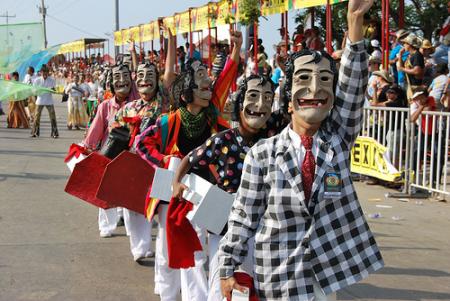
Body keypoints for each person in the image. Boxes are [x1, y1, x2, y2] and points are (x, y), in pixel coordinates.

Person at [219, 1, 383, 300]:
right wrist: (227, 268)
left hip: (323, 274)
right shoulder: (263, 154)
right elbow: (244, 215)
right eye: (303, 78)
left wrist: (355, 23)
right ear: (287, 93)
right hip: (276, 273)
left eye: (324, 80)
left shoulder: (338, 140)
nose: (315, 88)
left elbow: (354, 86)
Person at [136, 30, 242, 301]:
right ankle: (168, 291)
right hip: (169, 185)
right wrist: (166, 162)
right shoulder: (166, 121)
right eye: (201, 80)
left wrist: (236, 48)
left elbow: (226, 79)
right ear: (186, 94)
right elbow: (140, 145)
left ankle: (201, 296)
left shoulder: (211, 113)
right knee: (165, 245)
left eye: (208, 80)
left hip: (204, 185)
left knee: (205, 242)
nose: (208, 82)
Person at [171, 75, 276, 301]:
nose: (261, 104)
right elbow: (190, 159)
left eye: (268, 98)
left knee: (258, 281)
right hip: (225, 222)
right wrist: (176, 182)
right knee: (221, 281)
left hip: (262, 223)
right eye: (254, 96)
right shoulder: (223, 139)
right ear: (239, 103)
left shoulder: (274, 142)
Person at [113, 62, 168, 261]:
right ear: (136, 79)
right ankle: (140, 247)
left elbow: (169, 72)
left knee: (162, 211)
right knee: (131, 207)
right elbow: (115, 133)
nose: (145, 79)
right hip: (134, 164)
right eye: (141, 74)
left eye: (150, 74)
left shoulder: (165, 105)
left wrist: (170, 37)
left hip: (160, 166)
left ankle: (161, 252)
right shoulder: (128, 108)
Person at [31, 65, 59, 138]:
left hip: (49, 101)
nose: (45, 74)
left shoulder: (52, 80)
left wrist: (53, 90)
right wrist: (38, 90)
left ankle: (54, 133)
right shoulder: (37, 80)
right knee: (36, 117)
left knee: (52, 117)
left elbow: (54, 91)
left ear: (48, 72)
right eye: (43, 72)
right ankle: (35, 132)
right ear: (41, 72)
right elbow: (33, 90)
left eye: (46, 72)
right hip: (40, 100)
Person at [398, 33, 425, 99]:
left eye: (405, 43)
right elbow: (401, 67)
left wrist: (402, 69)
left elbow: (417, 71)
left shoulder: (417, 55)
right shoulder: (411, 55)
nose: (403, 45)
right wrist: (400, 55)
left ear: (409, 45)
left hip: (416, 88)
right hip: (411, 86)